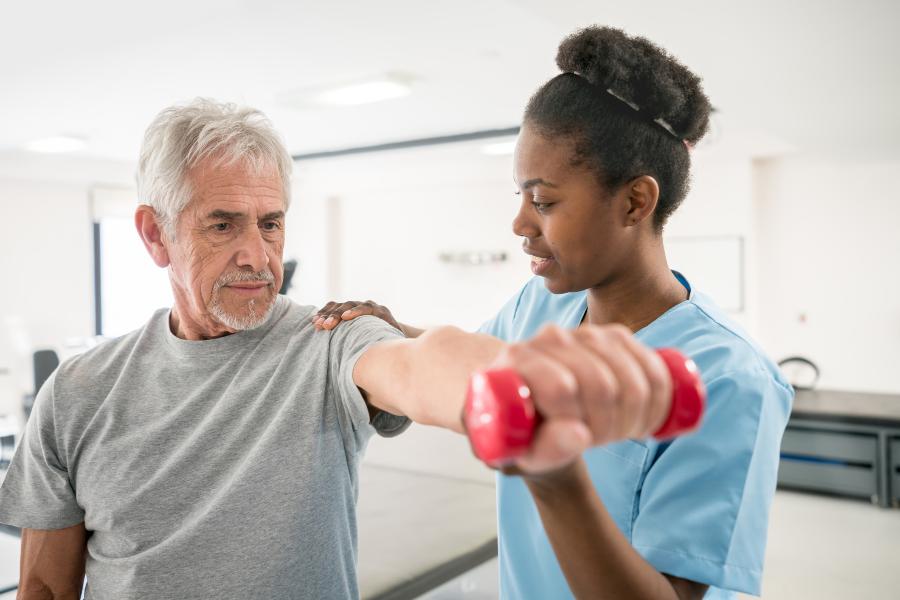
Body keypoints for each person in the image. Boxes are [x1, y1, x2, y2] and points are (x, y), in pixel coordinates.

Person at [0, 98, 673, 599]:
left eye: (270, 224)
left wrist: (525, 380)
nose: (256, 255)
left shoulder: (328, 338)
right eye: (222, 225)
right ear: (154, 236)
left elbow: (423, 367)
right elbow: (45, 589)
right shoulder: (81, 390)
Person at [313, 26, 794, 600]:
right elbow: (476, 362)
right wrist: (392, 331)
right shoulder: (542, 302)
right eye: (520, 196)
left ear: (635, 202)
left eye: (543, 201)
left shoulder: (729, 379)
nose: (520, 223)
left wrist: (555, 478)